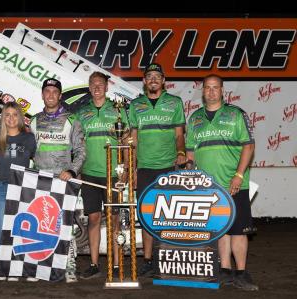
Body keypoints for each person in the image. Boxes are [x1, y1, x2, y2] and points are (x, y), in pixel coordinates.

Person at [185, 74, 258, 291]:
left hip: (233, 184)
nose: (211, 91)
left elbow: (249, 146)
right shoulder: (195, 118)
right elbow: (190, 151)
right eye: (207, 87)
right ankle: (225, 271)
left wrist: (238, 175)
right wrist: (189, 171)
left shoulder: (236, 114)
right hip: (208, 186)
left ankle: (242, 273)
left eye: (215, 87)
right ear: (203, 91)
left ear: (222, 90)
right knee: (220, 230)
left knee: (237, 230)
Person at [128, 63, 186, 277]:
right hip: (144, 168)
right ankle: (148, 260)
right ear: (144, 81)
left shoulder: (175, 102)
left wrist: (181, 152)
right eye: (149, 76)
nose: (153, 79)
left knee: (167, 216)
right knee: (146, 216)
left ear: (163, 80)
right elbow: (132, 140)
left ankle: (165, 259)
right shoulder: (135, 105)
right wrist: (132, 168)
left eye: (157, 76)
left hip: (168, 167)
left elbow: (179, 135)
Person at [30, 78, 86, 283]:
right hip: (41, 180)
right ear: (42, 94)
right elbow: (29, 151)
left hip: (64, 181)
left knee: (65, 226)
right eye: (47, 91)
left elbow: (81, 152)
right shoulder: (34, 121)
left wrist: (71, 171)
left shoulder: (72, 120)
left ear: (60, 95)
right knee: (42, 225)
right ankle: (42, 266)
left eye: (55, 91)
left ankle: (69, 267)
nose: (51, 95)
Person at [77, 71, 127, 279]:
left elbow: (126, 141)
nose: (97, 87)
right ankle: (95, 264)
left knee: (115, 220)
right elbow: (77, 144)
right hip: (89, 174)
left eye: (101, 84)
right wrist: (78, 169)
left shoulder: (118, 110)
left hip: (113, 174)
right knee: (94, 218)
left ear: (107, 87)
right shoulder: (82, 113)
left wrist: (124, 168)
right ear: (89, 88)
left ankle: (116, 266)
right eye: (93, 84)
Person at [0, 102, 37, 281]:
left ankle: (27, 266)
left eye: (14, 114)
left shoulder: (28, 138)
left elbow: (26, 156)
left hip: (22, 186)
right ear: (3, 118)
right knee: (3, 229)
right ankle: (6, 267)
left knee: (23, 228)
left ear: (19, 117)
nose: (11, 118)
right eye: (7, 115)